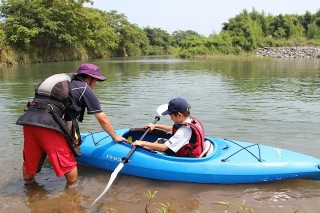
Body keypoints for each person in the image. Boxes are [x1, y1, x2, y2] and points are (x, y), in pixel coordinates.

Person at [16, 63, 127, 186]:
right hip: (47, 125)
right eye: (96, 80)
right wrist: (114, 136)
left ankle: (29, 189)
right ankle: (73, 195)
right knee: (69, 165)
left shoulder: (65, 84)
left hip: (29, 121)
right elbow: (102, 118)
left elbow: (65, 115)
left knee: (30, 162)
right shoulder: (84, 88)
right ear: (89, 78)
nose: (95, 84)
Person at [132, 97, 205, 157]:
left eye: (171, 116)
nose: (171, 118)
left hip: (188, 157)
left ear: (179, 115)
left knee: (157, 146)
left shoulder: (183, 131)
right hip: (190, 149)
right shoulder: (191, 120)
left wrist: (143, 143)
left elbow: (164, 147)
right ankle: (142, 150)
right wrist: (156, 125)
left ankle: (141, 153)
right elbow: (173, 128)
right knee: (159, 140)